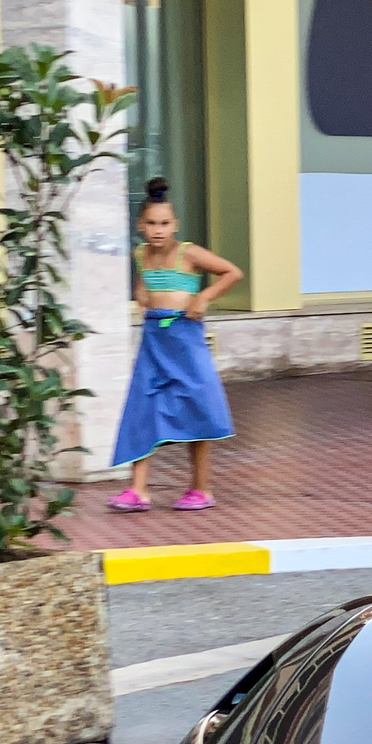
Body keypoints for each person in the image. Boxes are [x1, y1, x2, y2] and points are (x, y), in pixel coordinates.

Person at [108, 179, 243, 512]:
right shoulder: (140, 254)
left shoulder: (188, 252)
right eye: (151, 223)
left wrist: (204, 297)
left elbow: (231, 272)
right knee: (142, 407)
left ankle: (201, 488)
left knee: (195, 407)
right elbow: (143, 284)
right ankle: (138, 490)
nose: (158, 230)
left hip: (185, 339)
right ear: (140, 225)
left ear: (175, 225)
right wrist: (142, 296)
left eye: (165, 223)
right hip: (154, 340)